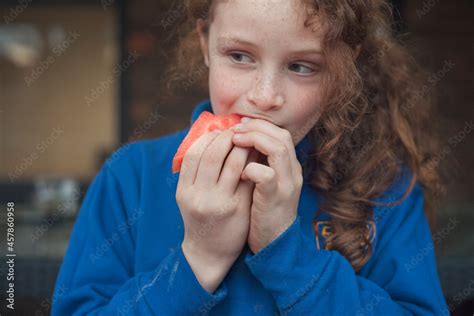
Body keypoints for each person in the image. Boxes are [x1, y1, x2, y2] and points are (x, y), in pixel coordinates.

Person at [52, 0, 449, 315]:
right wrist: (200, 259)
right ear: (206, 44)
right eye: (240, 56)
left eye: (301, 66)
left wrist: (284, 249)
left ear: (342, 70)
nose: (264, 95)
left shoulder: (387, 188)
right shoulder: (130, 178)